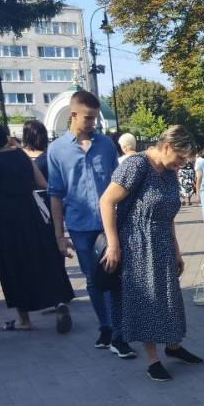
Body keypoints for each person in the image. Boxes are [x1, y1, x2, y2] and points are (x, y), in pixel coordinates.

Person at [99, 125, 203, 382]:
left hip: (162, 243)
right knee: (146, 300)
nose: (181, 164)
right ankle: (153, 360)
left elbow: (169, 215)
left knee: (168, 297)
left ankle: (174, 346)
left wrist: (177, 251)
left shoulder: (168, 171)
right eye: (180, 158)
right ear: (166, 147)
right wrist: (113, 244)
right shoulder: (137, 165)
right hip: (137, 244)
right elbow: (106, 201)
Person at [47, 89, 135, 357]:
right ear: (73, 115)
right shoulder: (57, 150)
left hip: (109, 224)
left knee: (115, 275)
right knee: (93, 279)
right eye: (88, 117)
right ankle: (106, 328)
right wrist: (59, 235)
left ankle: (119, 334)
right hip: (80, 225)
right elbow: (55, 193)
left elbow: (117, 184)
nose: (93, 123)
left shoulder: (106, 145)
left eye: (95, 118)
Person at [0, 119, 75, 334]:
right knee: (40, 258)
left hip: (4, 220)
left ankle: (23, 319)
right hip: (30, 213)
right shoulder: (20, 155)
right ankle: (58, 301)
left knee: (13, 266)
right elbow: (42, 184)